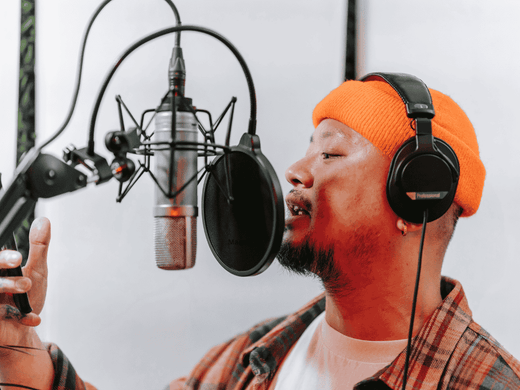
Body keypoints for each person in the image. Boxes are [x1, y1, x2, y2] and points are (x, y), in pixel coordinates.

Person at [1, 75, 519, 390]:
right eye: (306, 148)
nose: (294, 169)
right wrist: (25, 359)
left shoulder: (484, 381)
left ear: (417, 195)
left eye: (331, 153)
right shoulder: (257, 357)